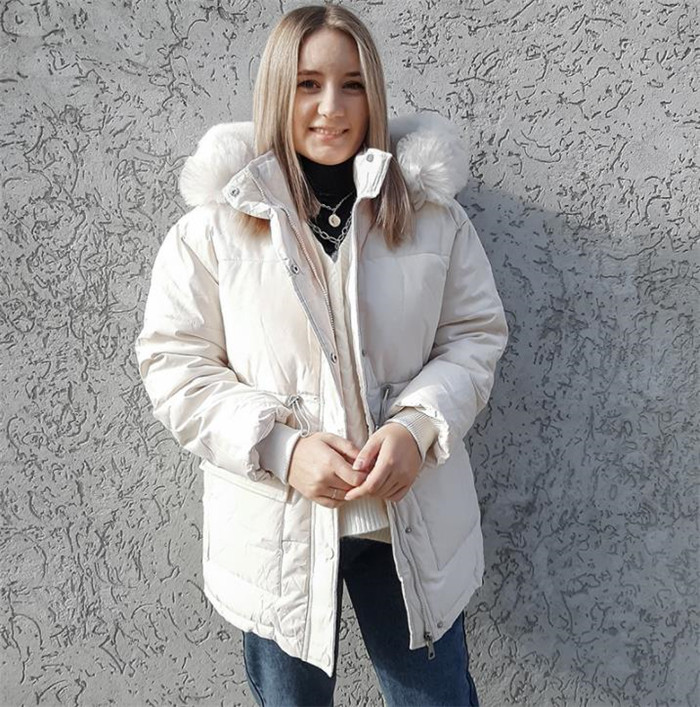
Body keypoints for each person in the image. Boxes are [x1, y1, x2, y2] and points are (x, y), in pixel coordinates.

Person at [134, 4, 508, 705]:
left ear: (375, 94)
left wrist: (416, 428)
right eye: (308, 84)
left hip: (408, 520)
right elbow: (175, 366)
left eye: (352, 84)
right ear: (278, 90)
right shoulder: (213, 231)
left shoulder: (432, 218)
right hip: (276, 528)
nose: (331, 108)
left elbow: (474, 337)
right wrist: (281, 447)